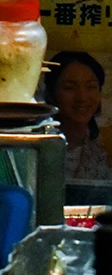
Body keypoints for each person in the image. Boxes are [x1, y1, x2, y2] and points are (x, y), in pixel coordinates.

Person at [45, 50, 112, 183]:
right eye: (70, 88)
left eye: (90, 87)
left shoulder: (107, 145)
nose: (82, 97)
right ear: (51, 94)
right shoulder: (37, 144)